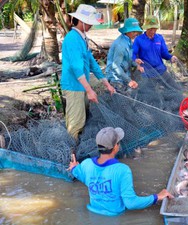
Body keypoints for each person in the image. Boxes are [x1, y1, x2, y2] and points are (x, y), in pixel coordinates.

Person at [68, 127, 174, 216]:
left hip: (92, 213)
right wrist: (157, 197)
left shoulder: (86, 164)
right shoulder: (122, 170)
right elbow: (131, 203)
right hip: (115, 217)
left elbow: (77, 172)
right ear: (115, 147)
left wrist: (74, 167)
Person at [60, 4, 115, 141]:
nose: (91, 26)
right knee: (75, 124)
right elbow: (76, 68)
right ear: (82, 21)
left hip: (82, 86)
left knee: (83, 121)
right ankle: (71, 156)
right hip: (74, 87)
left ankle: (77, 151)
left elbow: (92, 64)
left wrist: (106, 84)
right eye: (90, 23)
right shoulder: (72, 38)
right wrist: (89, 90)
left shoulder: (83, 38)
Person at [132, 15, 180, 90]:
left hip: (161, 70)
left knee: (176, 89)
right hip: (147, 72)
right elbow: (133, 54)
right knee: (150, 94)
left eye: (155, 29)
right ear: (146, 28)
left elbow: (164, 53)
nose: (153, 31)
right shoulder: (139, 39)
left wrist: (171, 57)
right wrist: (135, 61)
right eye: (150, 29)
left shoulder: (159, 38)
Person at [105, 17, 143, 94]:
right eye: (133, 31)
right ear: (127, 31)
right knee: (122, 99)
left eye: (136, 31)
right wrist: (129, 81)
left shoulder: (128, 41)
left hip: (125, 74)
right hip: (116, 78)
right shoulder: (120, 45)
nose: (135, 34)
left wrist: (136, 65)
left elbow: (128, 59)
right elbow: (116, 66)